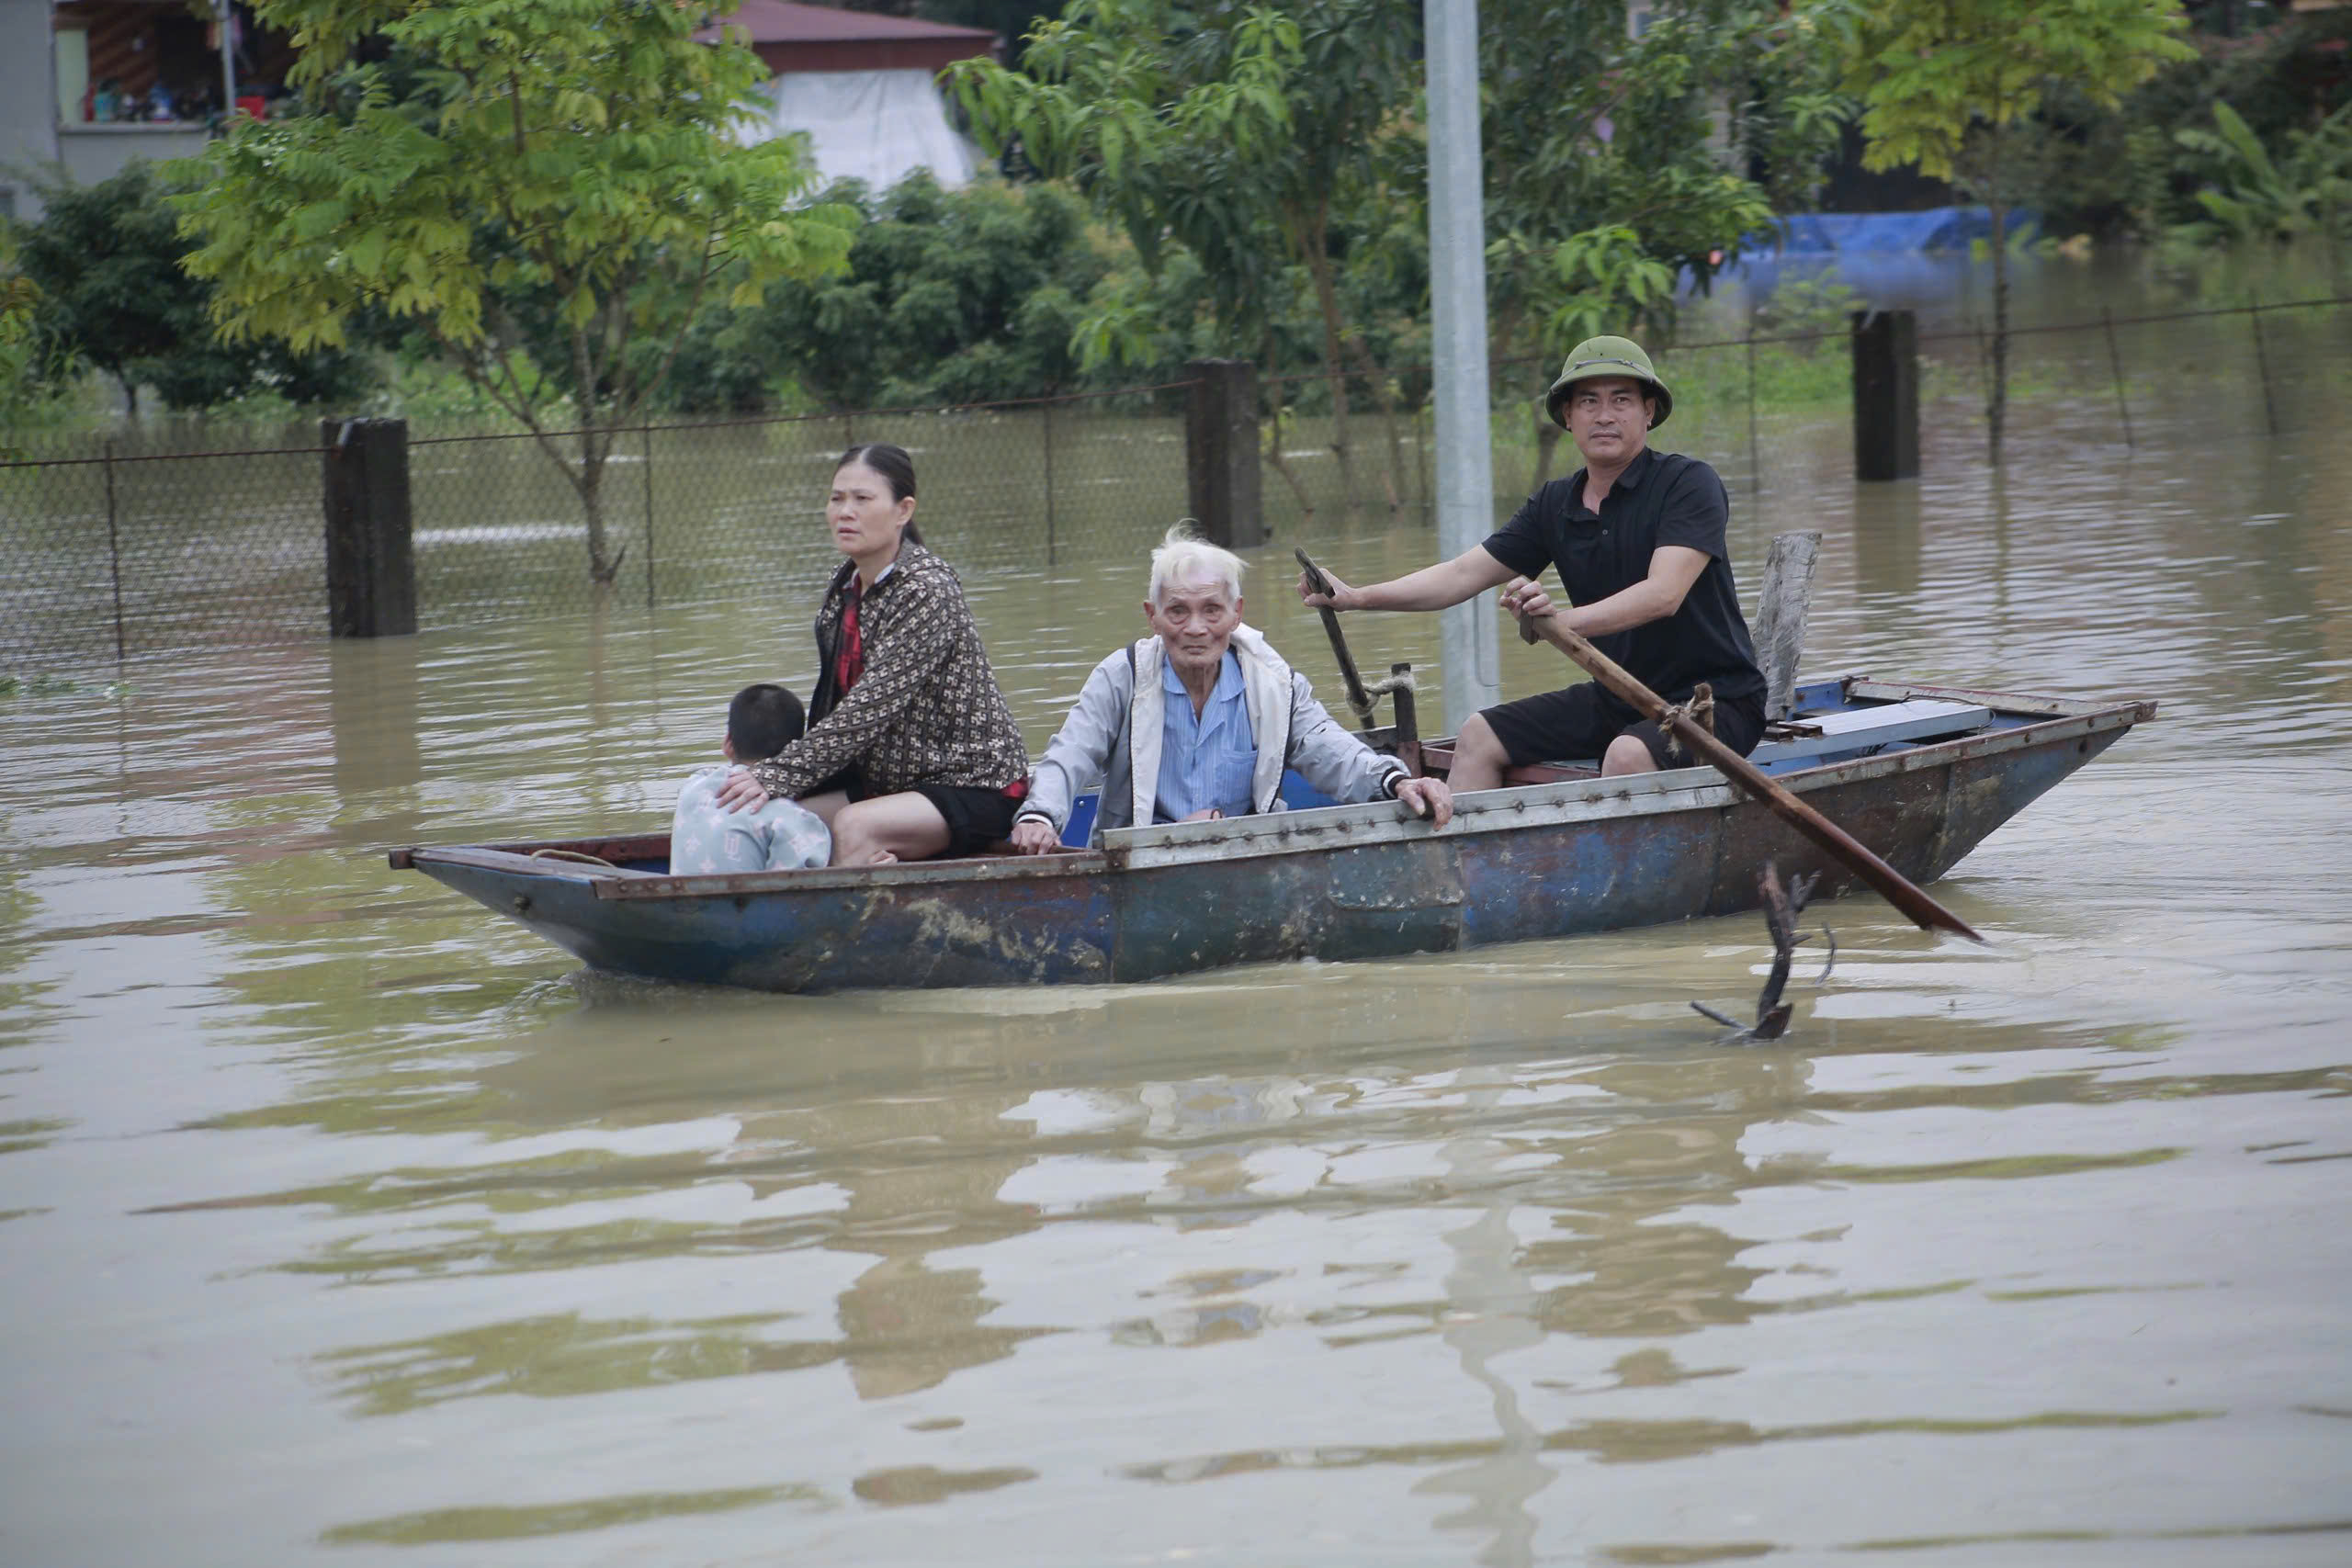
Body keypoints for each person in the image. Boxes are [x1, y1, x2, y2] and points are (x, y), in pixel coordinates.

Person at [1299, 334, 1766, 785]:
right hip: (1617, 696)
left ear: (1648, 412)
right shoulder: (1555, 503)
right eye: (1588, 402)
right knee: (1478, 735)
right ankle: (1463, 865)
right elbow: (1461, 575)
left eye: (1621, 400)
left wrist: (1558, 622)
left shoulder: (1687, 483)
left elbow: (1663, 595)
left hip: (1714, 705)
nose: (1604, 416)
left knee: (1626, 753)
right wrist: (1356, 598)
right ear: (1567, 416)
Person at [1009, 526, 1453, 852]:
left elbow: (1331, 750)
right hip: (1137, 864)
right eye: (1178, 611)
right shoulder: (1122, 677)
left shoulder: (1274, 684)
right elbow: (1069, 754)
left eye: (1212, 610)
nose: (1196, 628)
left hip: (1245, 857)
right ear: (1153, 616)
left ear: (1237, 613)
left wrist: (1397, 781)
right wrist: (1039, 815)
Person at [716, 443, 1032, 864]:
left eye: (863, 499)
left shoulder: (926, 592)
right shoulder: (844, 584)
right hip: (889, 782)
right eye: (837, 499)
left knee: (853, 824)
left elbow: (867, 711)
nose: (846, 512)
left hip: (973, 785)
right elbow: (833, 706)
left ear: (903, 511)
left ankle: (837, 926)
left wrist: (777, 773)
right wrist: (776, 783)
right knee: (777, 816)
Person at [671, 683, 831, 874]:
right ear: (794, 754)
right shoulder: (790, 817)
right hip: (745, 905)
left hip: (682, 904)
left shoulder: (692, 786)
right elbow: (803, 890)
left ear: (727, 743)